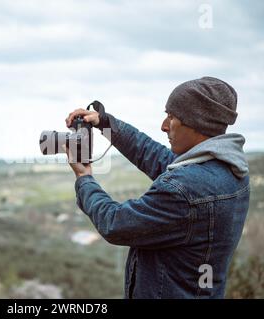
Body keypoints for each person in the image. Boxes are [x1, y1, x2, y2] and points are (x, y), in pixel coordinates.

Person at [64, 76, 250, 299]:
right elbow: (154, 155)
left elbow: (115, 223)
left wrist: (84, 178)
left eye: (171, 117)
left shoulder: (186, 189)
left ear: (197, 124)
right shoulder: (227, 169)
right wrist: (105, 123)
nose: (163, 126)